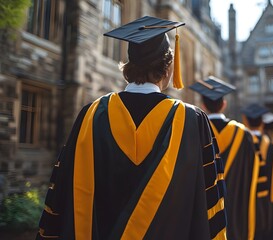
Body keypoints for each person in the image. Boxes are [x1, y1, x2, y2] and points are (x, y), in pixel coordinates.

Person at [36, 16, 227, 240]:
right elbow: (211, 205)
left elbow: (59, 196)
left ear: (127, 65)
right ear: (168, 67)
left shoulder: (90, 115)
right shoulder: (192, 121)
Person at [189, 76, 259, 240]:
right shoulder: (244, 134)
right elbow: (251, 175)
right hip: (236, 207)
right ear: (224, 104)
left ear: (203, 105)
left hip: (205, 209)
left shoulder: (194, 130)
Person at [241, 103, 272, 240]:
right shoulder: (271, 145)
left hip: (241, 196)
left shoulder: (242, 140)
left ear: (245, 121)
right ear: (262, 123)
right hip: (264, 196)